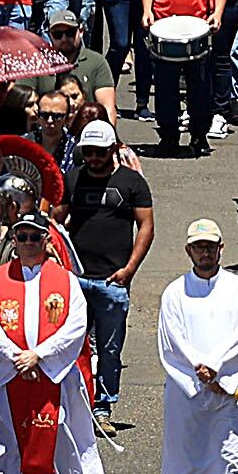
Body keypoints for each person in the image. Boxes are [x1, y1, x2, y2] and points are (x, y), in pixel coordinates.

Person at [0, 211, 104, 474]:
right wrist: (16, 357)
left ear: (46, 239)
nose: (29, 243)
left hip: (52, 374)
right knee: (8, 441)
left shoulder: (65, 280)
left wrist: (40, 356)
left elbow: (76, 325)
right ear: (13, 241)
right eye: (22, 237)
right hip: (11, 374)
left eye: (35, 236)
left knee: (57, 436)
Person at [152, 217, 238, 474]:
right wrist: (199, 369)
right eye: (199, 247)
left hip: (227, 388)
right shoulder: (174, 292)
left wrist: (217, 368)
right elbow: (171, 338)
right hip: (188, 391)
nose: (205, 253)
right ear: (188, 250)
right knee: (188, 454)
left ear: (221, 249)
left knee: (229, 454)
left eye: (210, 247)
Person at [61, 122, 155, 416]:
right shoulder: (72, 179)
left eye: (100, 152)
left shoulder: (132, 182)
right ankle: (77, 404)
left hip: (112, 280)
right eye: (88, 152)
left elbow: (146, 228)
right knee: (73, 343)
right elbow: (55, 221)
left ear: (113, 150)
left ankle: (103, 407)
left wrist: (129, 269)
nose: (94, 158)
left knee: (109, 348)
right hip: (76, 278)